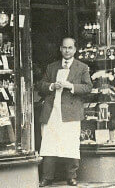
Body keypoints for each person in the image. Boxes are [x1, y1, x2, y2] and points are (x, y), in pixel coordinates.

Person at [38, 37, 92, 187]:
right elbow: (40, 85)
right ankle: (47, 177)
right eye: (64, 48)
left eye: (70, 48)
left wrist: (71, 86)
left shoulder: (82, 67)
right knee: (49, 144)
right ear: (60, 49)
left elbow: (88, 87)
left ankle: (71, 177)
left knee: (71, 144)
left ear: (75, 50)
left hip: (71, 112)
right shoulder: (51, 67)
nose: (67, 51)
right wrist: (51, 86)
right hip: (52, 111)